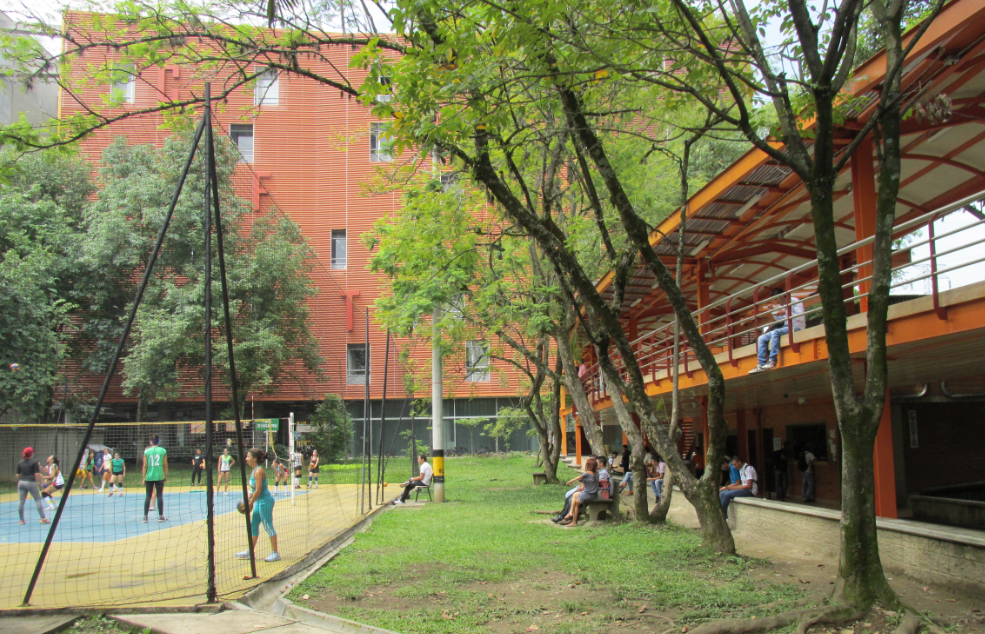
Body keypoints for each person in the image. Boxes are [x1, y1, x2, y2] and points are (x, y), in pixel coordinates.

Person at [236, 448, 280, 563]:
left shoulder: (259, 471)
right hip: (259, 502)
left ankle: (275, 553)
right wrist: (247, 500)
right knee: (253, 525)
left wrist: (249, 504)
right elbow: (252, 490)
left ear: (254, 458)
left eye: (248, 456)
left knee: (268, 526)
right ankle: (249, 552)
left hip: (265, 501)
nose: (246, 458)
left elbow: (258, 490)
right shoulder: (253, 471)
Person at [748, 287, 806, 374]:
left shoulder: (795, 301)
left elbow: (800, 316)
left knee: (775, 332)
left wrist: (785, 312)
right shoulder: (783, 306)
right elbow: (781, 320)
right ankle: (761, 364)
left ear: (782, 296)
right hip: (786, 326)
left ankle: (772, 360)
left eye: (776, 299)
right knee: (761, 338)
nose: (776, 302)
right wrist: (773, 312)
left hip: (796, 327)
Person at [560, 457, 599, 527]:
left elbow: (578, 478)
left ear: (588, 465)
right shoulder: (596, 473)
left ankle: (573, 519)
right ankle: (571, 514)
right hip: (593, 494)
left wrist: (569, 482)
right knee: (574, 495)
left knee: (575, 502)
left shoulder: (587, 473)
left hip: (588, 495)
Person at [16, 447, 49, 525]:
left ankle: (21, 520)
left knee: (21, 501)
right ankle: (43, 518)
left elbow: (17, 475)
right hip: (31, 482)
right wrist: (40, 484)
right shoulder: (34, 462)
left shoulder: (20, 462)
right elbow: (36, 474)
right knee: (37, 499)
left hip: (21, 482)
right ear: (31, 454)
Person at [142, 435, 169, 523]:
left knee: (148, 496)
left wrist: (144, 477)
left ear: (151, 442)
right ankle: (160, 516)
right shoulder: (163, 451)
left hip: (149, 476)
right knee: (159, 495)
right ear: (158, 442)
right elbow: (165, 465)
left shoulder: (147, 451)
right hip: (159, 476)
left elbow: (145, 466)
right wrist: (165, 476)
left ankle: (145, 517)